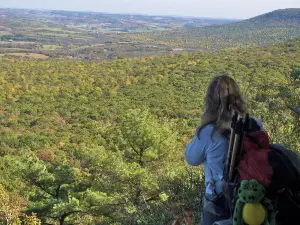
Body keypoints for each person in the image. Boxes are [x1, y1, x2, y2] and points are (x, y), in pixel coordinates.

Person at [185, 75, 248, 225]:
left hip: (218, 201)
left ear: (209, 101)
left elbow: (191, 158)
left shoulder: (209, 132)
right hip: (249, 197)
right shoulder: (253, 123)